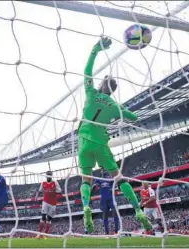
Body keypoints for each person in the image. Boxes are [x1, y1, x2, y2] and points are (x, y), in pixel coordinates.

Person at [77, 37, 152, 234]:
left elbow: (86, 72)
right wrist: (122, 111)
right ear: (113, 91)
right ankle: (138, 211)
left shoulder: (91, 94)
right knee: (119, 178)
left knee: (86, 180)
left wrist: (96, 49)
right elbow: (133, 117)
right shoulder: (115, 106)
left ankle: (86, 207)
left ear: (102, 85)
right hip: (101, 143)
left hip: (83, 140)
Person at [35, 170, 62, 239]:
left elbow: (60, 191)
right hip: (45, 202)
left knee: (49, 219)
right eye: (48, 175)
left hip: (53, 203)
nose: (49, 176)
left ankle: (45, 234)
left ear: (51, 176)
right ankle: (39, 234)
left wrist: (54, 190)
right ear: (46, 176)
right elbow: (40, 190)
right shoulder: (43, 183)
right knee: (43, 217)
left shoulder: (55, 182)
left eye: (50, 175)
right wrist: (36, 196)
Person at [92, 169, 119, 236]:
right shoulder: (98, 179)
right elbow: (94, 187)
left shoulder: (111, 178)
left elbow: (117, 187)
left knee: (115, 213)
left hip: (111, 198)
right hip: (103, 199)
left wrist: (113, 188)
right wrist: (95, 187)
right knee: (105, 215)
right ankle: (107, 233)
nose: (103, 171)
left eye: (104, 169)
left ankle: (116, 232)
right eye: (102, 169)